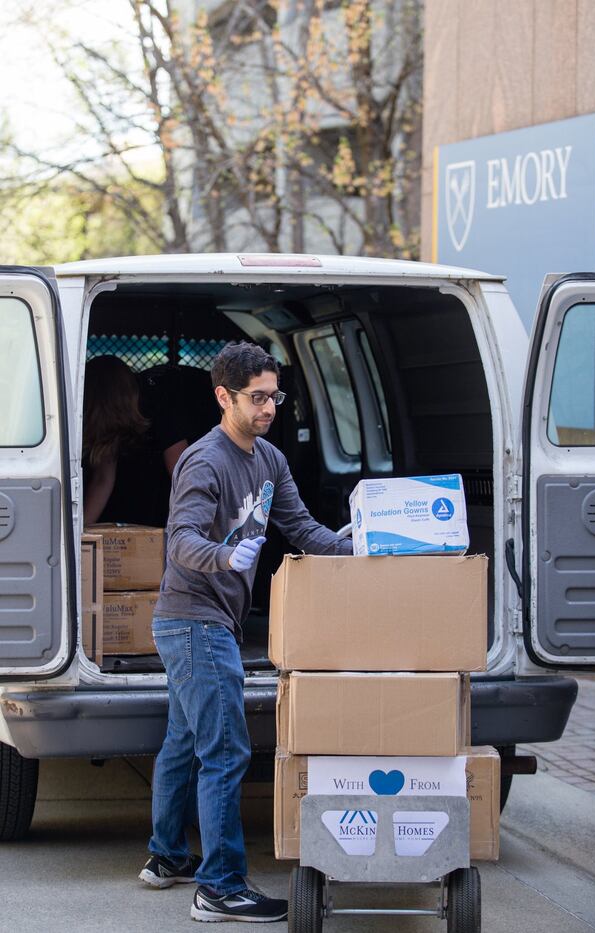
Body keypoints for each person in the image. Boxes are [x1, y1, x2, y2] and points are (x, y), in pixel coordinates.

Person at [139, 340, 353, 923]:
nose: (269, 408)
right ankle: (221, 886)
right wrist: (224, 557)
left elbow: (302, 526)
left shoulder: (270, 460)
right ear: (223, 397)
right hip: (192, 621)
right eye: (257, 398)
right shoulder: (204, 461)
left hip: (215, 623)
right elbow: (180, 539)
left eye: (274, 396)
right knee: (226, 750)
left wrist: (358, 547)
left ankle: (166, 858)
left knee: (185, 741)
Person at [82, 355, 188, 526]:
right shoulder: (112, 426)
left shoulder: (160, 404)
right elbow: (103, 477)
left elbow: (183, 472)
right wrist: (78, 533)